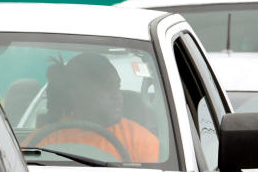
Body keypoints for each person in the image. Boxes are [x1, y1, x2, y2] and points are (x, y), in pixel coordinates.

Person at [28, 53, 159, 163]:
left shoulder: (141, 140)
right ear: (77, 94)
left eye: (117, 87)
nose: (117, 96)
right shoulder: (44, 140)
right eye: (107, 88)